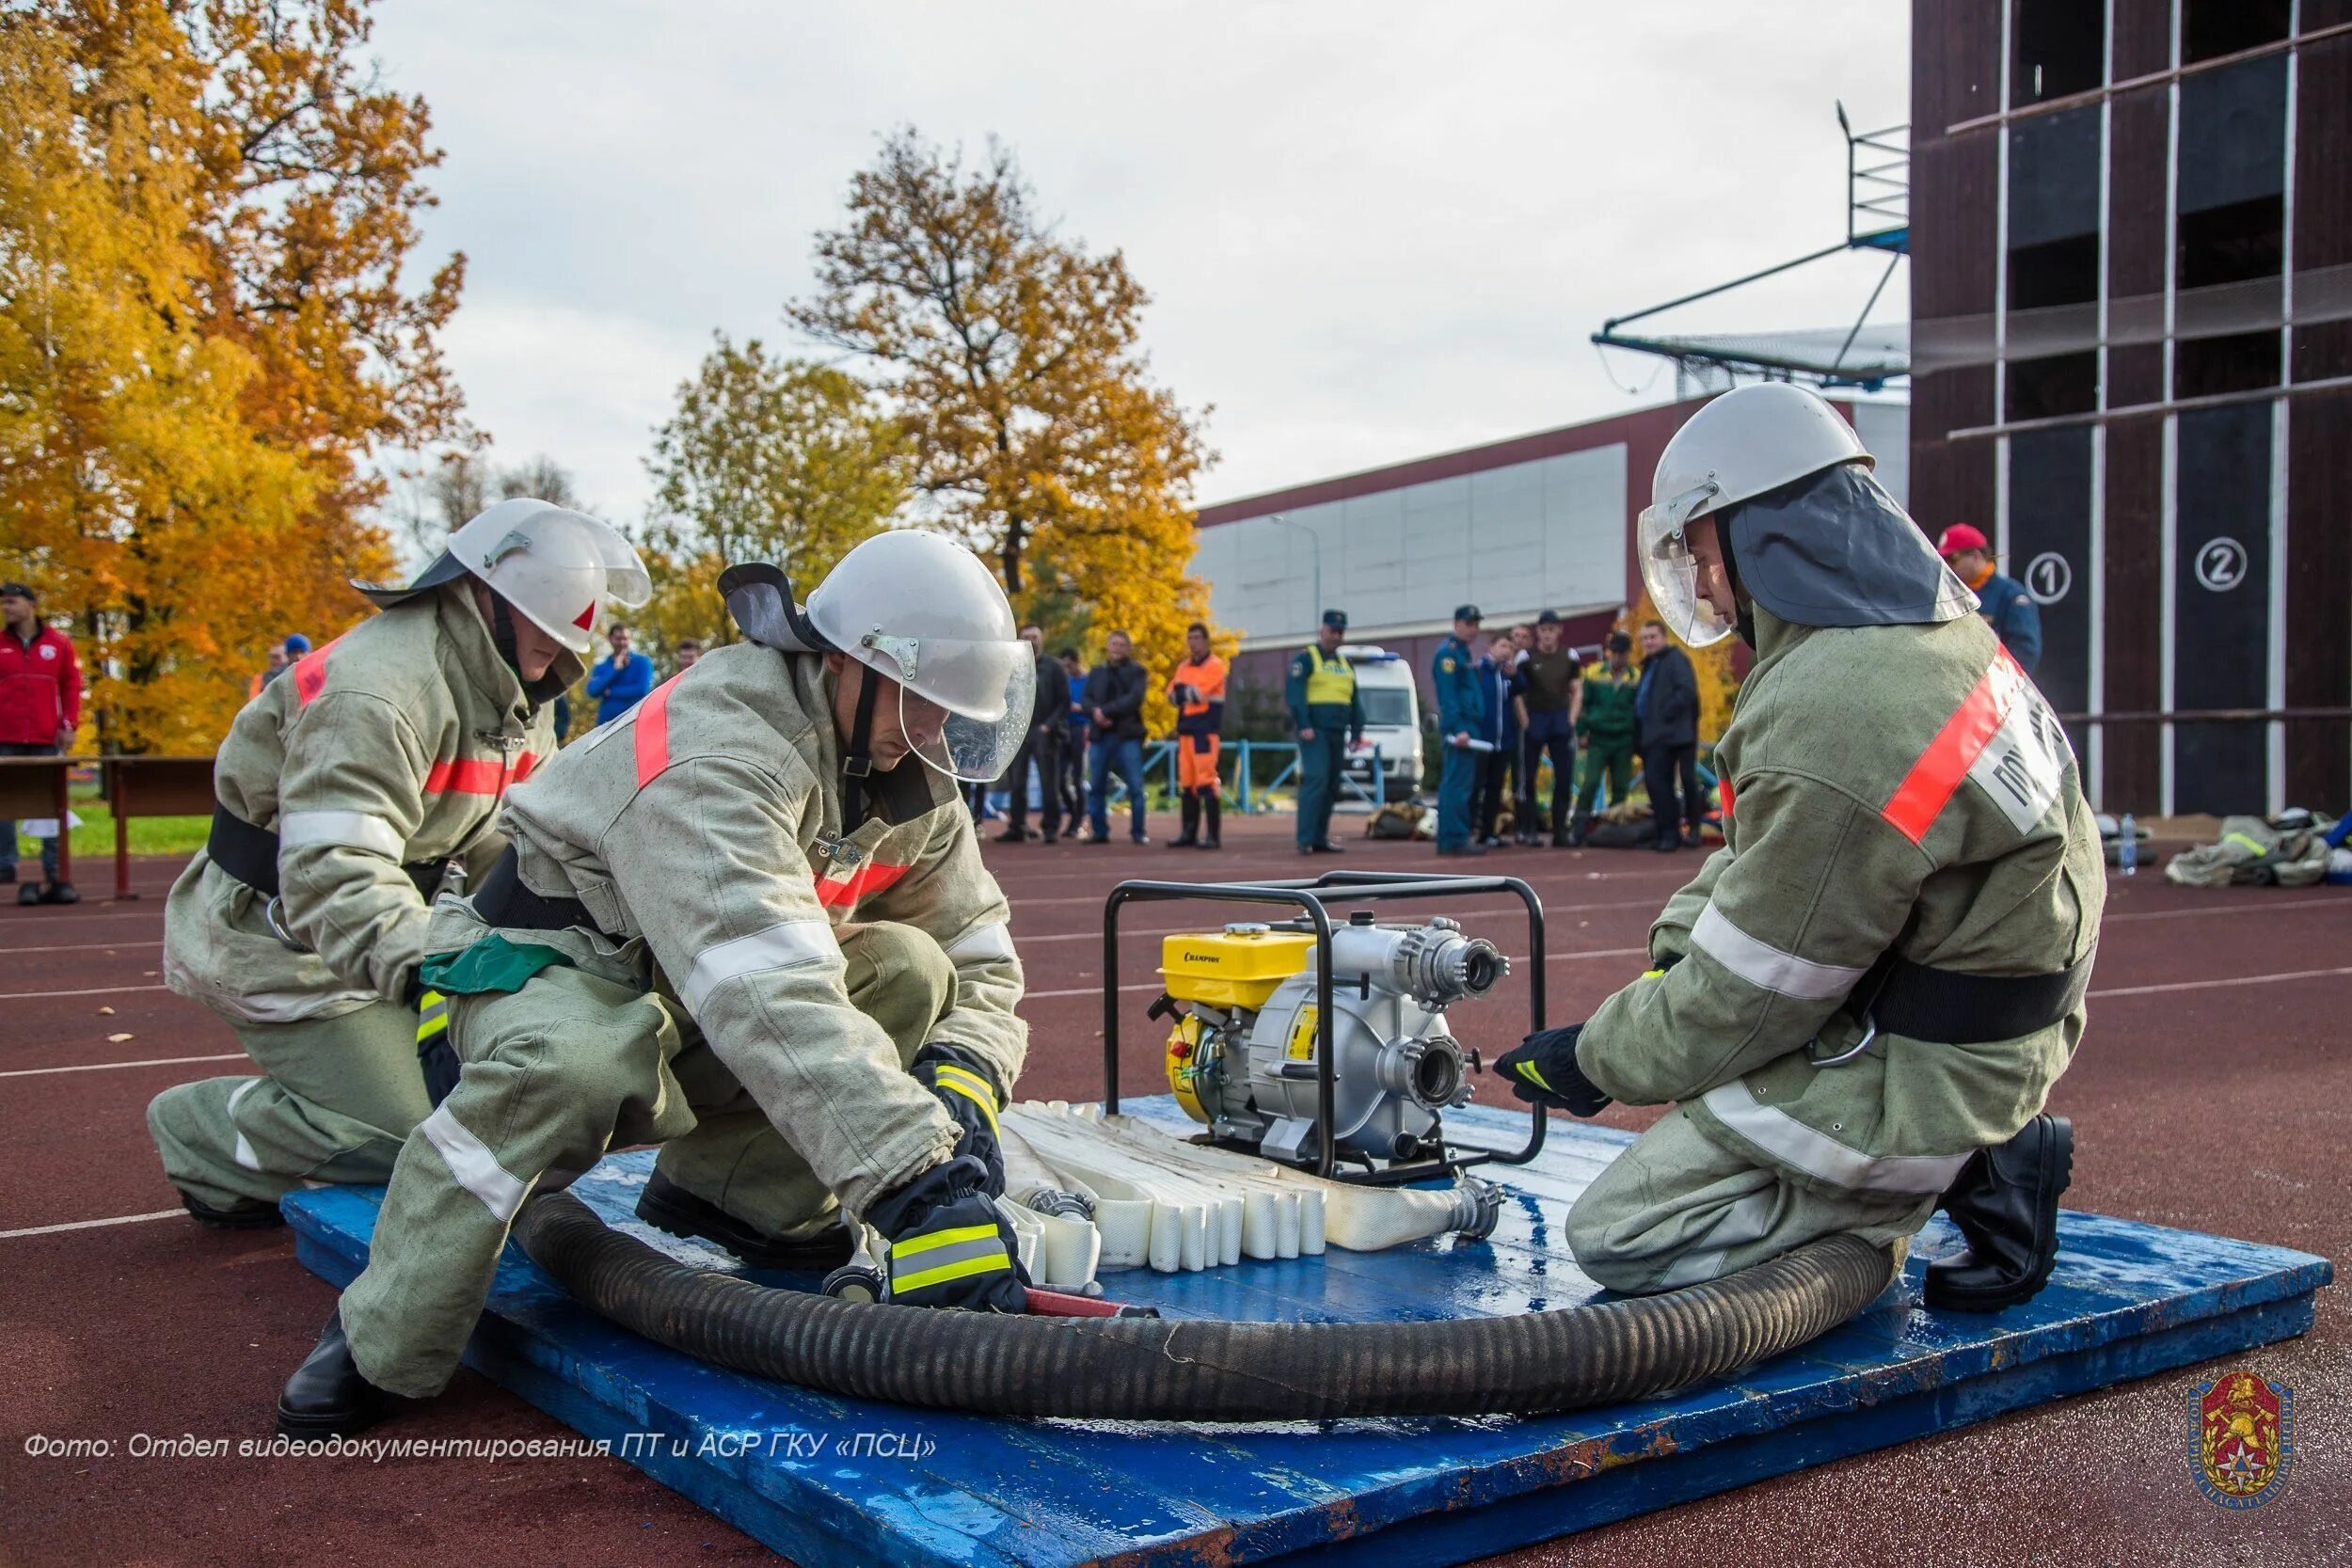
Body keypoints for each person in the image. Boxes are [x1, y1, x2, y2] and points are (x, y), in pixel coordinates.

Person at [275, 530, 1035, 1437]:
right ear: (845, 663)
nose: (937, 732)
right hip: (543, 967)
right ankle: (381, 1334)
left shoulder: (901, 760)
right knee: (572, 1064)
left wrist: (967, 1087)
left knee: (913, 970)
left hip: (686, 986)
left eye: (952, 710)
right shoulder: (721, 751)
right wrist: (916, 1185)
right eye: (923, 701)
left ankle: (742, 1199)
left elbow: (978, 948)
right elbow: (768, 989)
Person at [1495, 381, 2099, 1315]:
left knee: (1622, 1231)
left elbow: (1748, 1000)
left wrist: (1594, 1056)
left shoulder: (1835, 704)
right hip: (1989, 1006)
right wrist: (1673, 959)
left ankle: (1968, 1164)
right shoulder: (1927, 639)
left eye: (1700, 552)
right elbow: (1759, 858)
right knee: (1704, 998)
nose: (1699, 584)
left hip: (1934, 1057)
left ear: (1761, 535)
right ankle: (1955, 1154)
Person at [147, 499, 648, 1229]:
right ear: (490, 599)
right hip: (285, 942)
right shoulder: (378, 691)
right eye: (552, 618)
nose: (566, 646)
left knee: (524, 1102)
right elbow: (332, 877)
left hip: (402, 927)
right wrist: (443, 973)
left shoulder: (515, 691)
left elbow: (497, 840)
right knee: (425, 1130)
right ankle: (205, 1132)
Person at [0, 581, 82, 905]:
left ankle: (54, 869)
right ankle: (5, 865)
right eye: (3, 603)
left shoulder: (58, 644)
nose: (6, 608)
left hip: (46, 738)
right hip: (4, 738)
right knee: (4, 803)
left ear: (31, 605)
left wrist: (70, 724)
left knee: (52, 805)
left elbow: (71, 685)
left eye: (12, 602)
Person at [1285, 610, 1362, 856]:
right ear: (1322, 630)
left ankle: (1320, 837)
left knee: (1331, 785)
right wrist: (1304, 724)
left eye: (1340, 632)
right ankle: (1305, 838)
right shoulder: (1307, 659)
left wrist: (1357, 731)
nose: (1336, 636)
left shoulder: (1345, 663)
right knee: (1316, 779)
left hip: (1337, 732)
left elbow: (1354, 699)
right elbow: (1295, 694)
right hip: (1315, 732)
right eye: (1332, 631)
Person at [1515, 610, 1582, 847]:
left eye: (1551, 630)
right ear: (1538, 632)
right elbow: (1518, 693)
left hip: (1560, 719)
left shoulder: (1569, 656)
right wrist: (1524, 719)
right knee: (1529, 777)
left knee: (1563, 778)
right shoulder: (1526, 657)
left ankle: (1560, 831)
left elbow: (1576, 689)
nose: (1547, 635)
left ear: (1559, 631)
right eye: (1543, 630)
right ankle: (1529, 829)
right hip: (1535, 719)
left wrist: (1572, 718)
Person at [1935, 524, 2042, 673]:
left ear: (1976, 556)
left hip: (1993, 687)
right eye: (1943, 560)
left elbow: (2025, 652)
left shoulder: (2011, 596)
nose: (1948, 566)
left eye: (1953, 558)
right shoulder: (1946, 594)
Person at [998, 625, 1070, 844]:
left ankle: (1050, 827)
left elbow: (1064, 701)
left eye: (1035, 637)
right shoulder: (1012, 665)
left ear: (1042, 639)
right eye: (1027, 637)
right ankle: (1017, 826)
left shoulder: (1054, 668)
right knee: (1017, 783)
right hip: (1018, 730)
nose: (1032, 640)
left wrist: (1048, 726)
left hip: (1044, 730)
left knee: (1049, 782)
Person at [1635, 620, 1702, 851]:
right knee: (1656, 785)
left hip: (1675, 734)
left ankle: (1682, 833)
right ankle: (1665, 832)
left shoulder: (1675, 660)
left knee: (1682, 781)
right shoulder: (1649, 664)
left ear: (1663, 637)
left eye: (1652, 636)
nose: (1648, 642)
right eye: (1644, 638)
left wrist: (1664, 714)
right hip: (1655, 735)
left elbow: (1687, 692)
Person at [1569, 632, 1641, 845]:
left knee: (1621, 786)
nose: (1617, 657)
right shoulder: (1592, 673)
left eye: (1622, 653)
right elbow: (1583, 705)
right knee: (1590, 783)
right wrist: (1582, 732)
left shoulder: (1636, 677)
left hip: (1624, 740)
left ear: (1628, 654)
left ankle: (1612, 830)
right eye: (1614, 652)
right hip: (1598, 738)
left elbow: (1639, 710)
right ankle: (1579, 828)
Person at [1430, 606, 1487, 858]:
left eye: (1476, 624)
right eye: (1468, 623)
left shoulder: (1463, 653)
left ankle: (1456, 835)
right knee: (1456, 785)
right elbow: (1448, 696)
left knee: (1462, 784)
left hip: (1468, 725)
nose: (1473, 628)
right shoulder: (1449, 655)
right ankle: (1453, 838)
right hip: (1461, 727)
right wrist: (1458, 728)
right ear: (1456, 624)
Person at [1082, 631, 1149, 845]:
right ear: (1107, 646)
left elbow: (1134, 699)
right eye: (1113, 644)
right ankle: (1100, 831)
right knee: (1097, 787)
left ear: (1128, 648)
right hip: (1100, 736)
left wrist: (1106, 712)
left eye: (1121, 645)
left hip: (1127, 735)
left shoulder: (1138, 671)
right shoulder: (1097, 672)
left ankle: (1138, 832)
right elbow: (1085, 699)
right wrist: (1095, 713)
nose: (1117, 648)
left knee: (1136, 786)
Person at [1166, 623, 1228, 850]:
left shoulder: (1215, 665)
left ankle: (1213, 836)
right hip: (1186, 731)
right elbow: (1172, 695)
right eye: (1190, 637)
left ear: (1206, 640)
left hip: (1205, 731)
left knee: (1206, 782)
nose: (1193, 642)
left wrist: (1184, 692)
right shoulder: (1183, 666)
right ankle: (1188, 833)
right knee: (1188, 783)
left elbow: (1197, 693)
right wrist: (1185, 693)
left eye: (1197, 637)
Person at [1472, 628, 1518, 847]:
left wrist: (1516, 675)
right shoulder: (1481, 671)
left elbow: (1522, 690)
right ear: (1491, 647)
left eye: (1510, 647)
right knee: (1475, 787)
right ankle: (1468, 830)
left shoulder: (1507, 674)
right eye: (1502, 646)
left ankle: (1488, 832)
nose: (1506, 651)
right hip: (1483, 741)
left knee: (1495, 789)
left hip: (1503, 741)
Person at [585, 622, 655, 724]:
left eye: (625, 639)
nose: (622, 642)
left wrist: (611, 692)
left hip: (633, 721)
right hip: (606, 725)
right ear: (610, 639)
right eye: (618, 638)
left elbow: (642, 689)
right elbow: (592, 691)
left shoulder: (643, 662)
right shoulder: (601, 667)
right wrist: (615, 670)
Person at [1059, 648, 1089, 826]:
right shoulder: (1066, 681)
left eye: (1070, 665)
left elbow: (1094, 702)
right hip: (1065, 729)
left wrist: (1081, 707)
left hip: (1081, 728)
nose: (1068, 669)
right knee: (1060, 779)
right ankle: (1074, 813)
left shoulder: (1089, 681)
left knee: (1078, 778)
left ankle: (1079, 819)